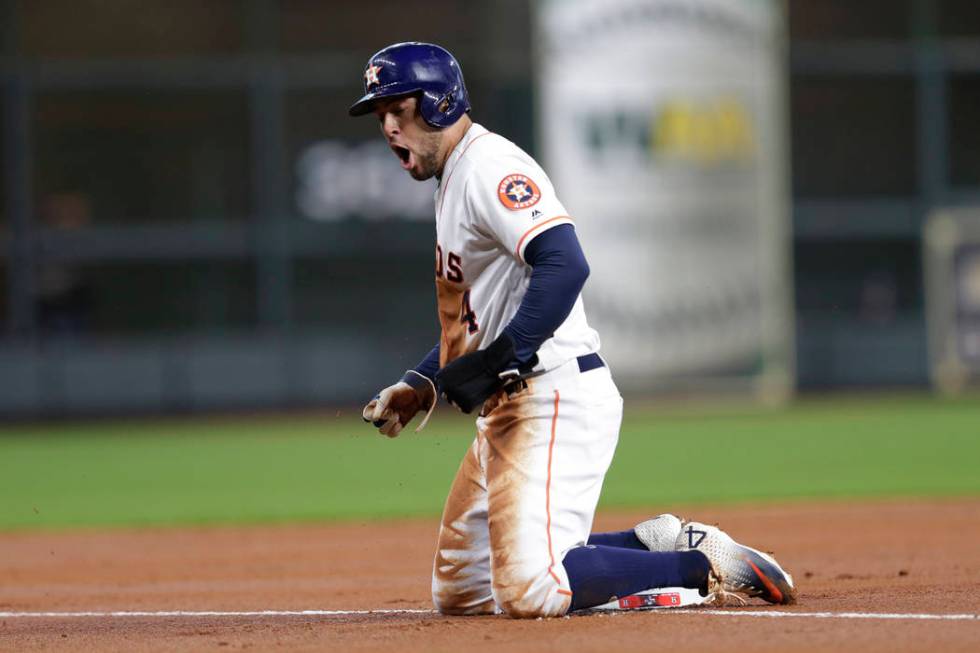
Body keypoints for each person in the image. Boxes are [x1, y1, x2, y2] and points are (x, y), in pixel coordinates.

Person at [353, 42, 796, 618]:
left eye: (398, 109)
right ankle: (652, 543)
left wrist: (501, 359)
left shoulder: (489, 167)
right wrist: (422, 382)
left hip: (553, 393)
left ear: (439, 103)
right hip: (510, 405)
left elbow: (566, 263)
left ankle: (706, 563)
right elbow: (478, 319)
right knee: (464, 590)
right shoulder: (454, 180)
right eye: (379, 115)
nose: (388, 127)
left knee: (529, 590)